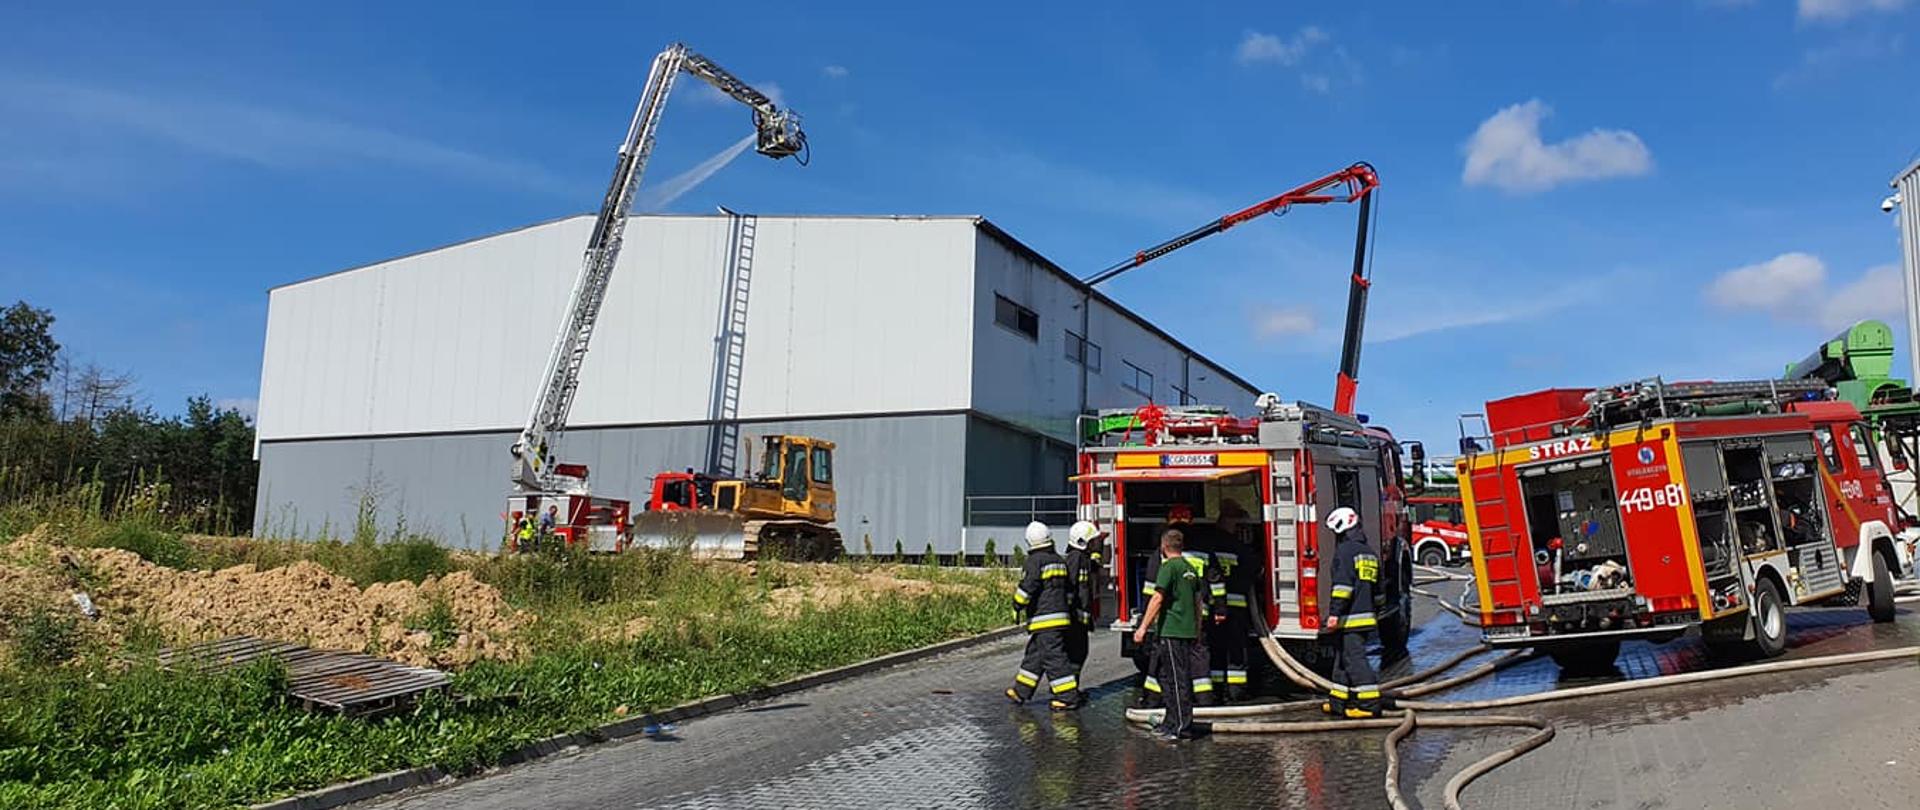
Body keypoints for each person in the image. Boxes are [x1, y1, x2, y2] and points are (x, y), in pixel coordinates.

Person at [1132, 528, 1202, 740]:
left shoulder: (1168, 567)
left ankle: (1181, 727)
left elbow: (1157, 598)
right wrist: (1197, 630)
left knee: (1177, 680)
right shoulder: (1190, 568)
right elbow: (1198, 603)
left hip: (1172, 630)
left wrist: (1142, 627)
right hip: (1186, 630)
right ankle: (1171, 722)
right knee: (1169, 677)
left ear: (1163, 546)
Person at [1007, 521, 1083, 710]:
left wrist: (1017, 605)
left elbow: (1028, 587)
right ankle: (1021, 691)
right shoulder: (1059, 560)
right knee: (1035, 655)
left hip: (1044, 618)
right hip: (1060, 616)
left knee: (1053, 657)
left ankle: (1068, 697)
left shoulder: (1034, 561)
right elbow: (1068, 590)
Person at [1323, 506, 1383, 718]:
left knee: (1356, 661)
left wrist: (1334, 613)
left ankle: (1369, 705)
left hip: (1350, 618)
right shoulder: (1369, 553)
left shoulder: (1345, 551)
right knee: (1343, 659)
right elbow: (1379, 591)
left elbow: (1342, 587)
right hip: (1366, 617)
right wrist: (1376, 610)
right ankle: (1338, 701)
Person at [1209, 500, 1256, 702]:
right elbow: (1254, 571)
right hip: (1236, 608)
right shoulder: (1240, 547)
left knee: (1216, 648)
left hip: (1213, 608)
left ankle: (1216, 691)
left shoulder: (1209, 545)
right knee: (1236, 651)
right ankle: (1237, 692)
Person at [1064, 521, 1105, 684]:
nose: (1095, 544)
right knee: (1076, 653)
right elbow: (1070, 587)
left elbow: (1090, 575)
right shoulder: (1075, 558)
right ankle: (1069, 688)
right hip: (1075, 616)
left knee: (1080, 652)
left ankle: (1072, 686)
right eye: (1092, 541)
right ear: (1082, 542)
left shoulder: (1083, 558)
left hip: (1080, 616)